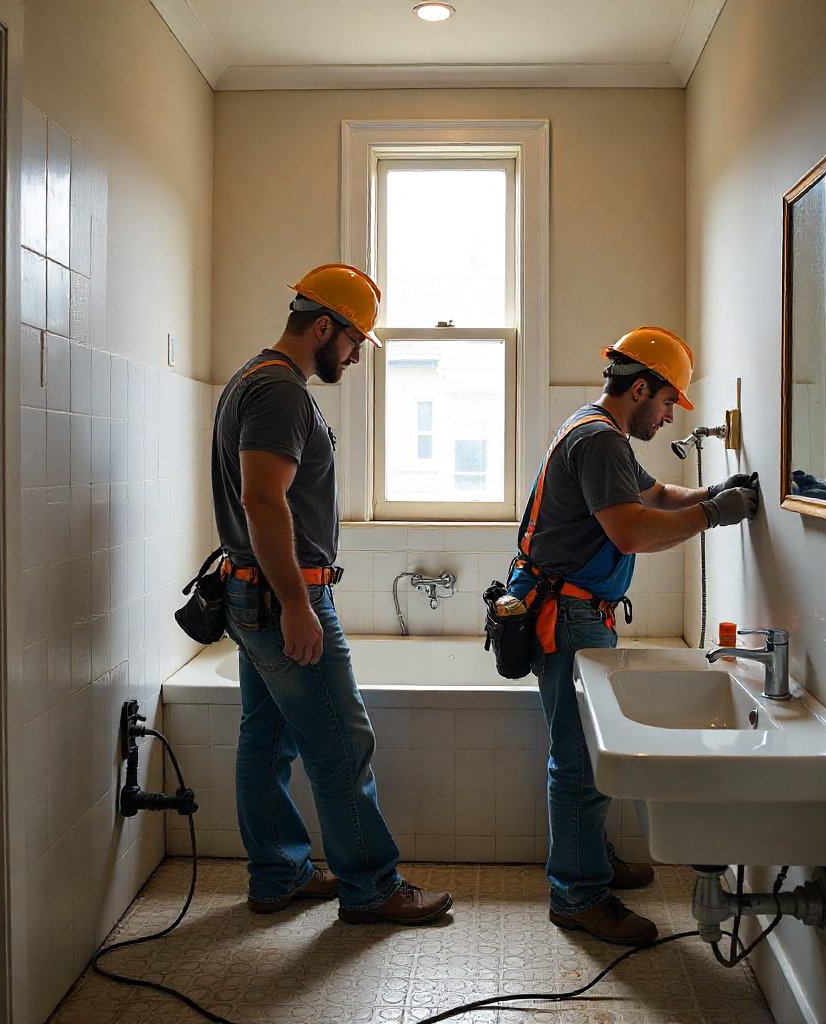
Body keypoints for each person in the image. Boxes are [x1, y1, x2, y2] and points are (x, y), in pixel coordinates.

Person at [211, 263, 453, 926]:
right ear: (323, 326)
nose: (352, 356)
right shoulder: (281, 392)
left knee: (266, 737)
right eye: (351, 342)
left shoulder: (251, 380)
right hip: (279, 595)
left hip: (250, 591)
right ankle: (371, 886)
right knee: (342, 743)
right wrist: (297, 604)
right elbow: (261, 498)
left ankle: (277, 873)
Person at [507, 326, 760, 946]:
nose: (671, 414)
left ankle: (587, 859)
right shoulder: (597, 439)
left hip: (572, 612)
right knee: (578, 762)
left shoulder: (599, 431)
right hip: (565, 616)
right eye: (669, 400)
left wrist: (711, 492)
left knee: (586, 756)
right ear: (640, 387)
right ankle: (577, 894)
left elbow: (654, 496)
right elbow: (630, 531)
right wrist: (713, 517)